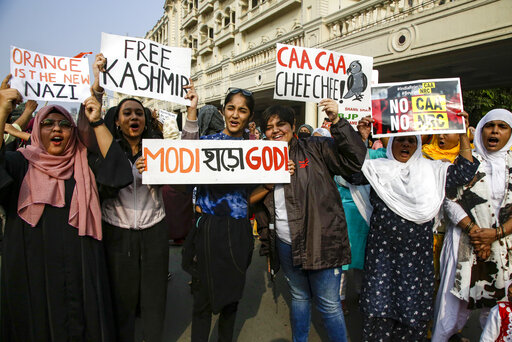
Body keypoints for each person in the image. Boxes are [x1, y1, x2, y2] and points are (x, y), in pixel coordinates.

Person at [0, 87, 132, 341]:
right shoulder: (19, 163)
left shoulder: (84, 164)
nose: (57, 129)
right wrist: (3, 111)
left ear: (73, 132)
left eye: (64, 124)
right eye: (48, 123)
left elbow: (119, 173)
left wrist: (96, 120)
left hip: (80, 275)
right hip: (33, 276)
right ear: (36, 130)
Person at [92, 53, 197, 342]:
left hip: (153, 231)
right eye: (127, 113)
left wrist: (190, 112)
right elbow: (90, 124)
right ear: (118, 122)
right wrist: (98, 87)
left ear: (145, 119)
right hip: (117, 232)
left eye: (139, 113)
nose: (134, 117)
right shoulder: (106, 149)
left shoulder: (158, 149)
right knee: (122, 298)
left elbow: (187, 157)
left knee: (153, 297)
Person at [350, 111, 478, 340]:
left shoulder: (432, 171)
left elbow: (465, 171)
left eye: (411, 140)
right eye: (400, 139)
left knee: (412, 318)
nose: (406, 143)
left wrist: (463, 135)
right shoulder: (377, 169)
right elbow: (351, 170)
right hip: (382, 260)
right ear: (391, 143)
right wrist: (361, 137)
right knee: (379, 316)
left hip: (416, 262)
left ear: (418, 144)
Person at [253, 101, 367, 342]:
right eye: (269, 127)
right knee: (299, 297)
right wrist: (271, 178)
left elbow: (355, 161)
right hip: (284, 243)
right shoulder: (258, 158)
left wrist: (338, 122)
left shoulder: (316, 147)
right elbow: (249, 199)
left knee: (329, 304)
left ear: (293, 125)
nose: (275, 131)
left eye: (281, 124)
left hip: (321, 241)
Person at [181, 88, 257, 342]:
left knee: (231, 300)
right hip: (207, 229)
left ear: (249, 115)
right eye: (231, 108)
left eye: (242, 110)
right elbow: (183, 159)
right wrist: (192, 108)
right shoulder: (206, 143)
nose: (235, 115)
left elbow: (265, 187)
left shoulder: (258, 152)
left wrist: (278, 173)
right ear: (224, 110)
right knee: (201, 299)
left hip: (238, 230)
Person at [432, 109, 512, 342]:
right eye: (490, 126)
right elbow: (449, 199)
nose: (495, 131)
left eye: (502, 126)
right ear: (481, 130)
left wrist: (495, 234)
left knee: (499, 308)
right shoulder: (467, 161)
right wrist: (475, 232)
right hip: (464, 243)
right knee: (452, 307)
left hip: (503, 245)